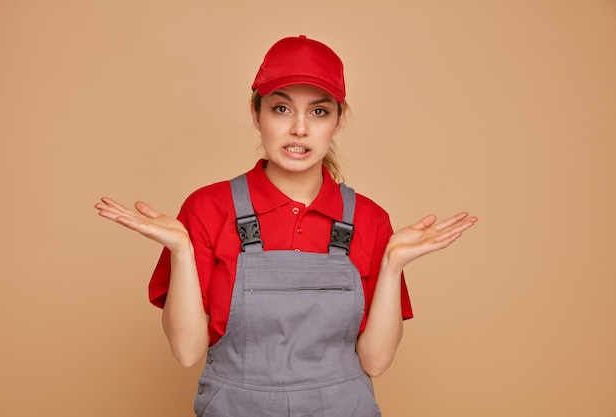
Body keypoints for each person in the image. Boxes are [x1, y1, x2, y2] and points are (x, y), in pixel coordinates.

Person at [95, 35, 477, 417]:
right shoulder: (208, 209)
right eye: (281, 108)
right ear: (256, 114)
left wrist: (392, 266)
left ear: (338, 121)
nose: (299, 128)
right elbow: (187, 352)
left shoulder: (369, 219)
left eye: (318, 112)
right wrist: (181, 250)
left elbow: (375, 363)